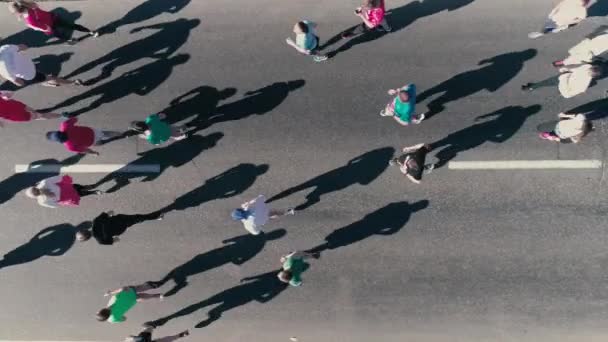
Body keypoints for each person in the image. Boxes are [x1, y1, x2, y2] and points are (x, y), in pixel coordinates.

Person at [8, 0, 98, 44]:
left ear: (18, 12)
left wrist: (33, 27)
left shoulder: (30, 21)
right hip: (53, 17)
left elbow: (43, 27)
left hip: (50, 26)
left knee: (60, 35)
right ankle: (91, 31)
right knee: (71, 26)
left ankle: (71, 40)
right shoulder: (32, 6)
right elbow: (35, 8)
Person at [0, 44, 82, 87]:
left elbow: (20, 83)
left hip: (30, 75)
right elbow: (24, 47)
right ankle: (70, 82)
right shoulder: (4, 48)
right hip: (29, 63)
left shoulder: (3, 70)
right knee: (46, 77)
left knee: (48, 78)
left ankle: (71, 82)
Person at [77, 210, 163, 245]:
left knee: (137, 219)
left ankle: (155, 216)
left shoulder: (101, 240)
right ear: (85, 229)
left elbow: (116, 240)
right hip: (120, 218)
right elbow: (110, 212)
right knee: (137, 218)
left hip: (122, 227)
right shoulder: (96, 221)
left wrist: (113, 232)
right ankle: (156, 216)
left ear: (88, 239)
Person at [46, 117, 122, 155]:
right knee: (105, 133)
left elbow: (85, 150)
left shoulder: (69, 146)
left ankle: (101, 142)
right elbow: (75, 119)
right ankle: (120, 134)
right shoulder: (65, 126)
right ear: (58, 132)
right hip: (91, 131)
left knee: (98, 143)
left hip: (92, 141)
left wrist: (94, 153)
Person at [521, 64, 602, 98]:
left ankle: (530, 87)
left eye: (589, 71)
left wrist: (563, 79)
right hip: (565, 76)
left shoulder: (583, 85)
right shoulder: (588, 66)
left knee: (546, 82)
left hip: (563, 81)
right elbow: (576, 69)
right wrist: (566, 69)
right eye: (590, 69)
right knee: (547, 82)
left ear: (592, 75)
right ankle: (534, 86)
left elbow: (568, 94)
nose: (587, 70)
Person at [97, 283, 163, 323]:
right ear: (102, 310)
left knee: (142, 297)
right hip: (129, 291)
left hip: (132, 301)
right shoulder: (112, 301)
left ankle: (156, 295)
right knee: (140, 288)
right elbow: (122, 289)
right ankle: (152, 285)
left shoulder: (112, 319)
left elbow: (124, 318)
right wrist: (110, 292)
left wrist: (120, 314)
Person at [25, 174, 102, 208]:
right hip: (67, 188)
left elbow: (55, 206)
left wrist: (60, 200)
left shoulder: (42, 202)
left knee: (82, 193)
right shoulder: (44, 183)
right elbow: (58, 178)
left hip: (67, 196)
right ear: (35, 187)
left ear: (35, 197)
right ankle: (92, 187)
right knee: (81, 187)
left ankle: (94, 192)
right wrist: (64, 180)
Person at [125, 326, 189, 342]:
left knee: (165, 340)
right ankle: (151, 326)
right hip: (143, 339)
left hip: (143, 339)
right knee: (149, 328)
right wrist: (132, 338)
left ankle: (180, 335)